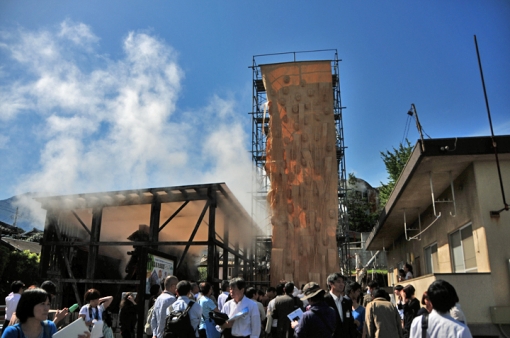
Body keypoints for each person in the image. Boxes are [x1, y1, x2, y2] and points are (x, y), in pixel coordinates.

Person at [1, 288, 90, 338]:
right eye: (42, 304)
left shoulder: (50, 327)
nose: (47, 308)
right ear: (28, 305)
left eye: (48, 304)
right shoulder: (12, 332)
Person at [324, 273, 357, 338]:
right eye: (338, 282)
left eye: (342, 282)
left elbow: (350, 322)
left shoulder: (347, 301)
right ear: (331, 284)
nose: (342, 284)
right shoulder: (325, 301)